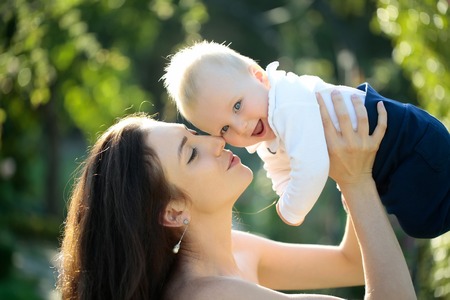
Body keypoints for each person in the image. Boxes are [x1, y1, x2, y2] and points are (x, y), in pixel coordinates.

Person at [57, 93, 416, 299]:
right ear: (173, 211)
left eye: (192, 134)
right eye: (191, 153)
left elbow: (352, 262)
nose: (215, 140)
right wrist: (357, 182)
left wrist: (346, 163)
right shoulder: (208, 296)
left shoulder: (238, 251)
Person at [162, 40, 450, 238]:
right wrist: (285, 194)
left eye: (237, 106)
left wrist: (291, 209)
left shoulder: (287, 102)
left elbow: (312, 167)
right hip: (388, 159)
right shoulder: (268, 133)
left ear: (260, 78)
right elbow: (280, 171)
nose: (241, 126)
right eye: (224, 129)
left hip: (406, 140)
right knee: (421, 220)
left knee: (428, 216)